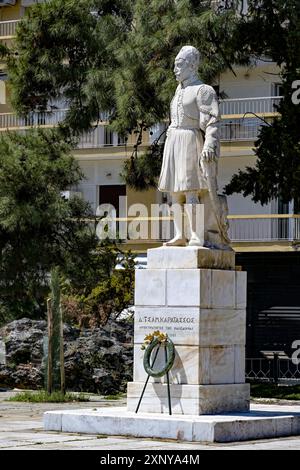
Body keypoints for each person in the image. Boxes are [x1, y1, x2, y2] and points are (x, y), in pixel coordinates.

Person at [158, 45, 230, 248]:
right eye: (174, 65)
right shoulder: (178, 89)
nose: (175, 69)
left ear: (191, 66)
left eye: (179, 65)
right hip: (174, 141)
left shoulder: (203, 90)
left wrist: (209, 144)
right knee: (174, 193)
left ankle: (197, 236)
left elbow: (213, 121)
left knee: (191, 192)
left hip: (191, 141)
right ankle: (180, 235)